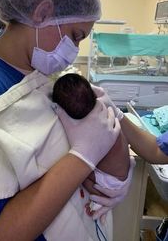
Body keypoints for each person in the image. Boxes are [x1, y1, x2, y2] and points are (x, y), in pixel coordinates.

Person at [0, 0, 166, 241]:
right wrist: (82, 158)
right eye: (76, 36)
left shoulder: (40, 77)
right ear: (43, 12)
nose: (75, 49)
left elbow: (149, 148)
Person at [52, 73, 133, 214]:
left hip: (109, 182)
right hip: (123, 170)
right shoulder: (102, 109)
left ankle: (96, 203)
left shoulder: (83, 128)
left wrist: (58, 111)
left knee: (83, 179)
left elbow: (64, 119)